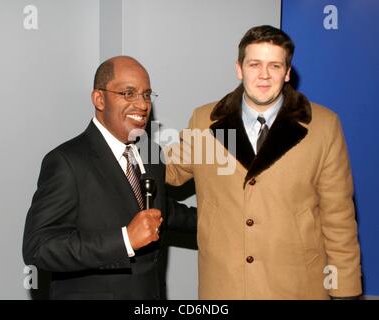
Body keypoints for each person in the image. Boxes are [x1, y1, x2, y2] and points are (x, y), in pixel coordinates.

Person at [165, 25, 362, 299]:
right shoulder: (204, 121)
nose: (264, 75)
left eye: (275, 66)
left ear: (288, 72)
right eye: (255, 64)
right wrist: (121, 144)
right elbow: (170, 171)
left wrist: (345, 290)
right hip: (225, 286)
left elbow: (338, 217)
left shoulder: (324, 126)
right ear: (239, 68)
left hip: (297, 286)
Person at [22, 56, 196, 300]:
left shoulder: (150, 152)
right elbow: (39, 248)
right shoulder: (67, 162)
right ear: (99, 99)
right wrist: (125, 239)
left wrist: (225, 222)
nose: (143, 104)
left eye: (146, 95)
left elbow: (160, 208)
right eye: (128, 93)